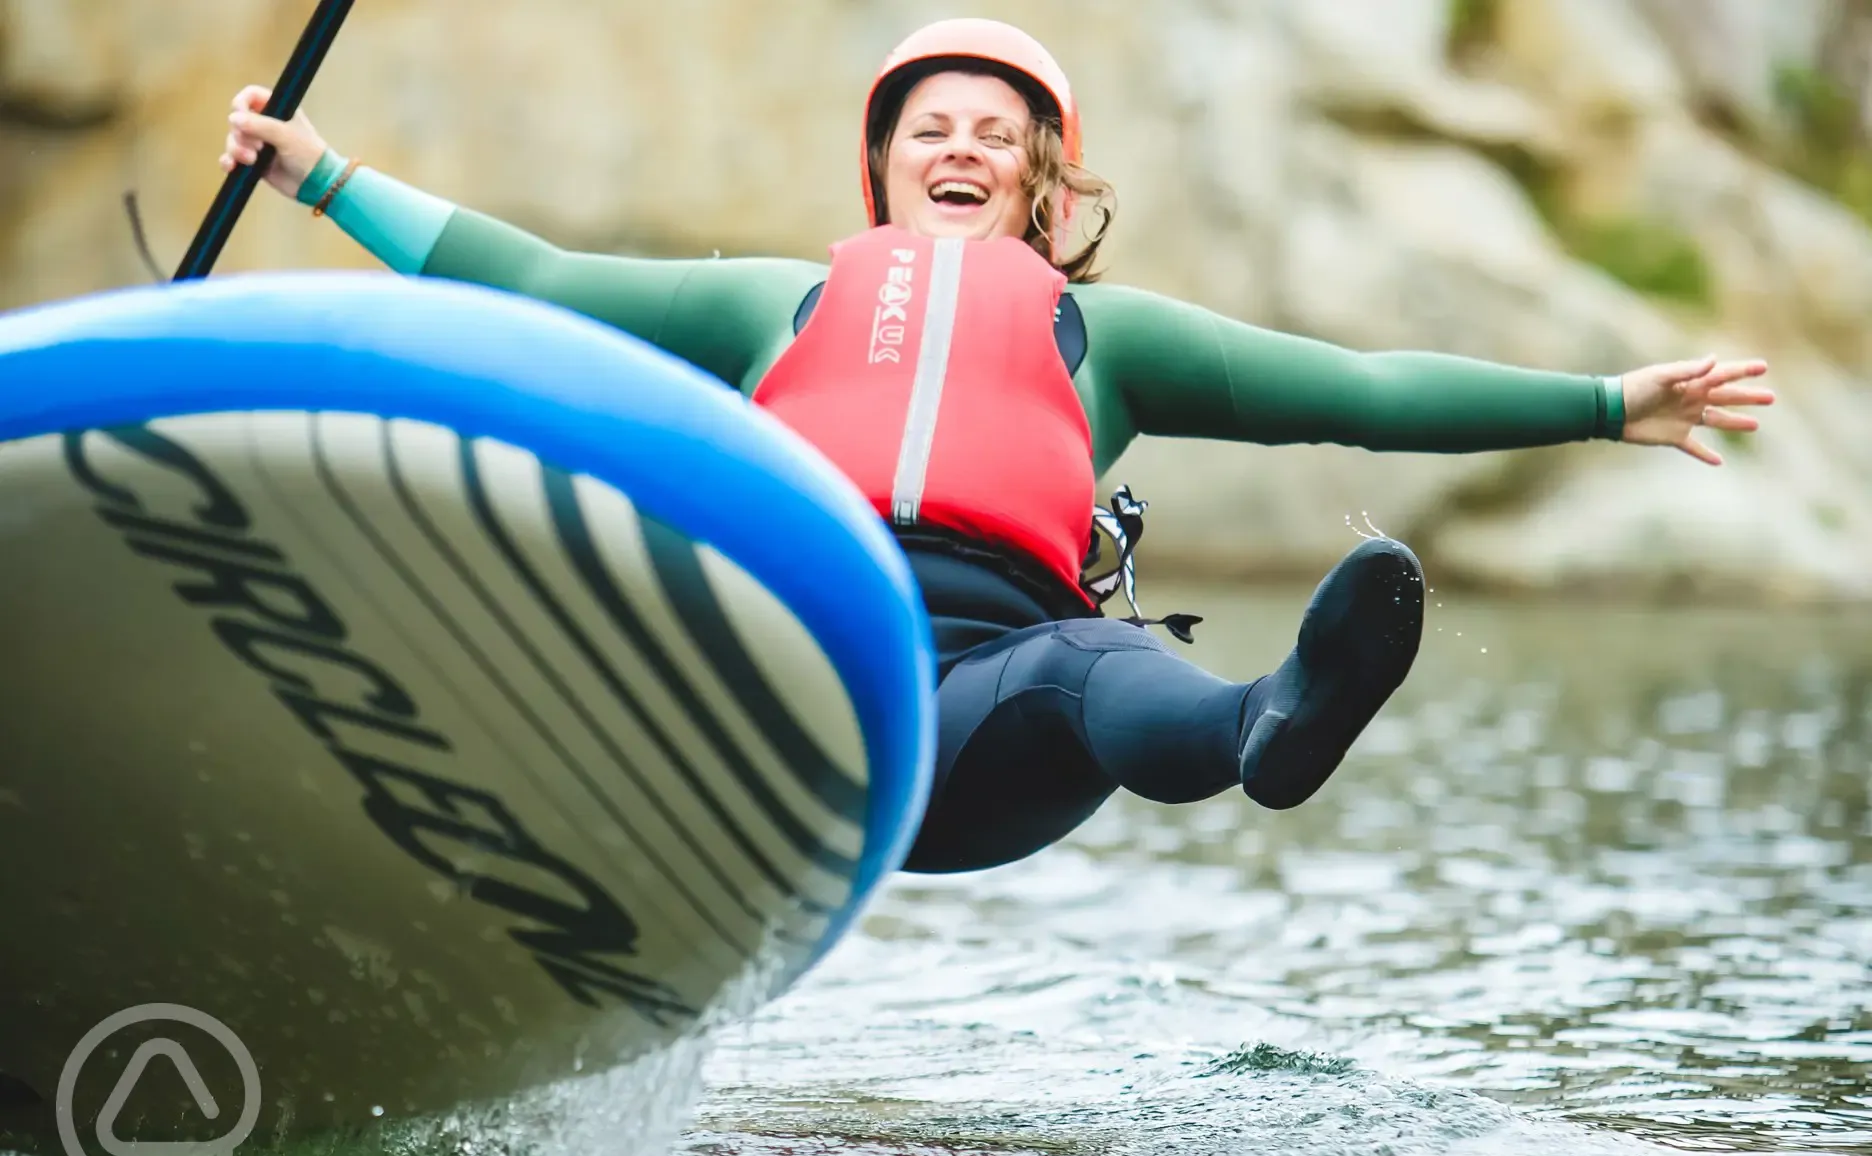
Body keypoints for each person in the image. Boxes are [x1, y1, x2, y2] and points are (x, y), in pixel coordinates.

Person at [217, 19, 1771, 873]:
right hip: (774, 692)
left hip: (979, 728)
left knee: (1078, 669)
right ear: (886, 168)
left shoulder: (1116, 341)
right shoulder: (785, 302)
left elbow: (1359, 385)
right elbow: (539, 278)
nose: (962, 148)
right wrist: (324, 173)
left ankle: (1269, 729)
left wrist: (1604, 401)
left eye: (995, 134)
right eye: (930, 130)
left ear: (1041, 181)